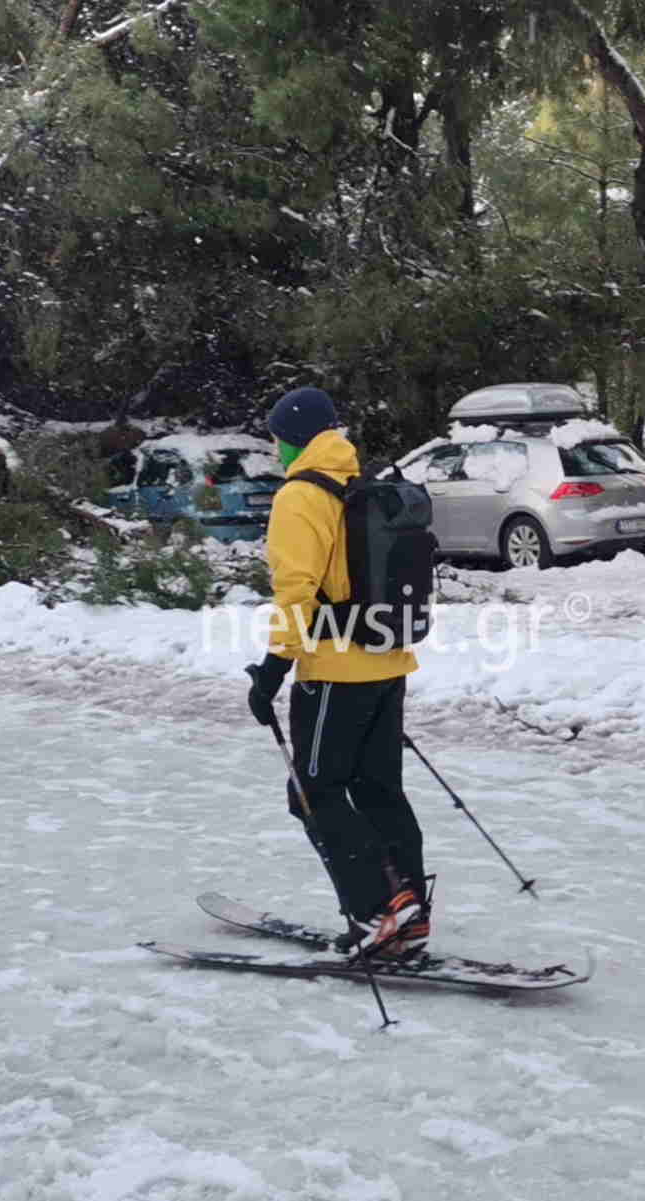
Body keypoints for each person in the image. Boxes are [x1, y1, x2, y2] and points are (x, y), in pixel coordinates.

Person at [244, 386, 429, 959]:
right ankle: (410, 911)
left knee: (313, 793)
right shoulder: (357, 480)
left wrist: (274, 668)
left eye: (277, 438)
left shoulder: (300, 495)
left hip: (333, 673)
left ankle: (377, 913)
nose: (275, 449)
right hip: (388, 661)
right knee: (379, 791)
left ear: (291, 439)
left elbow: (295, 589)